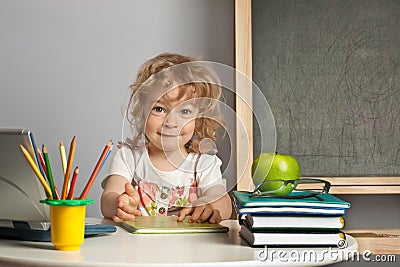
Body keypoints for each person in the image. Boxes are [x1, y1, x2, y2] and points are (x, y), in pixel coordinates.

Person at [101, 53, 232, 224]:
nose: (171, 122)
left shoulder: (203, 164)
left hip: (192, 249)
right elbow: (108, 198)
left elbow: (224, 202)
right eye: (159, 109)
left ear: (198, 118)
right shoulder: (129, 157)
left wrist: (209, 204)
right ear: (142, 110)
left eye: (185, 112)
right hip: (139, 248)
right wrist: (121, 204)